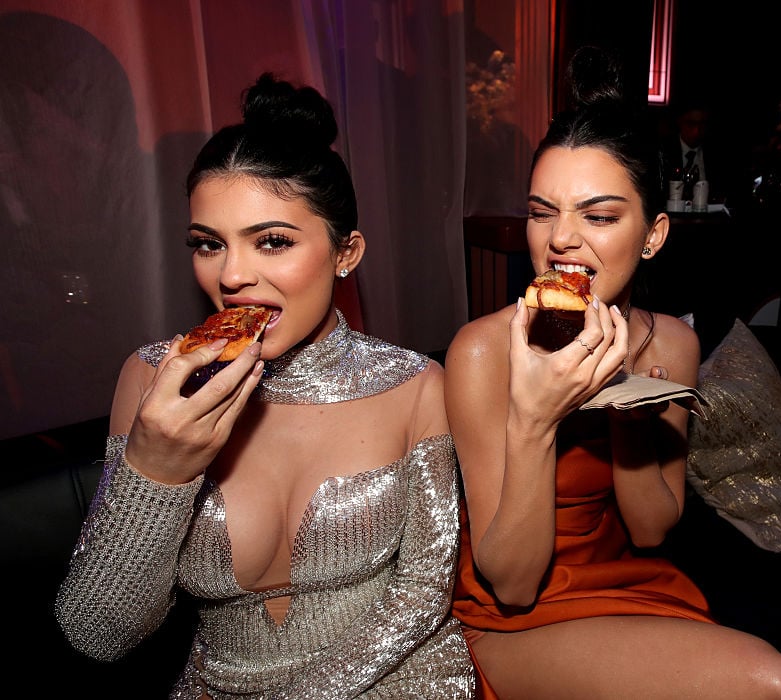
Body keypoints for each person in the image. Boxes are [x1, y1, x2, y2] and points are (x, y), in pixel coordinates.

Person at [54, 73, 475, 699]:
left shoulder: (414, 384)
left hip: (401, 676)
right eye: (208, 244)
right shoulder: (152, 380)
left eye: (272, 241)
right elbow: (98, 634)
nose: (232, 274)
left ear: (346, 252)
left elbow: (422, 594)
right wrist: (154, 470)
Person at [447, 46, 781, 699]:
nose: (560, 240)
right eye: (542, 211)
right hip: (508, 614)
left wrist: (623, 396)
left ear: (653, 235)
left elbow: (650, 527)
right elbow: (510, 584)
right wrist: (535, 419)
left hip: (621, 580)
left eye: (599, 216)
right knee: (775, 684)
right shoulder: (482, 350)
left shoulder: (670, 342)